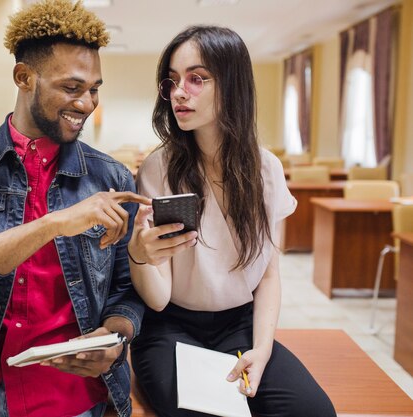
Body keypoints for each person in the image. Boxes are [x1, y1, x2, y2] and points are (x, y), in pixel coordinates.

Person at [0, 1, 149, 416]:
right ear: (24, 77)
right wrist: (53, 224)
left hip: (76, 396)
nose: (87, 103)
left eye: (94, 88)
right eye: (72, 87)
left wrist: (115, 341)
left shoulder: (113, 178)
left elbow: (127, 288)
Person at [126, 25, 336, 417]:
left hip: (238, 325)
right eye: (171, 81)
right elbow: (158, 297)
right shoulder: (160, 167)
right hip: (171, 330)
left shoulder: (266, 170)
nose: (179, 92)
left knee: (313, 412)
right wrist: (139, 255)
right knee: (211, 413)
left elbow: (268, 276)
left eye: (197, 78)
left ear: (232, 84)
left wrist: (261, 349)